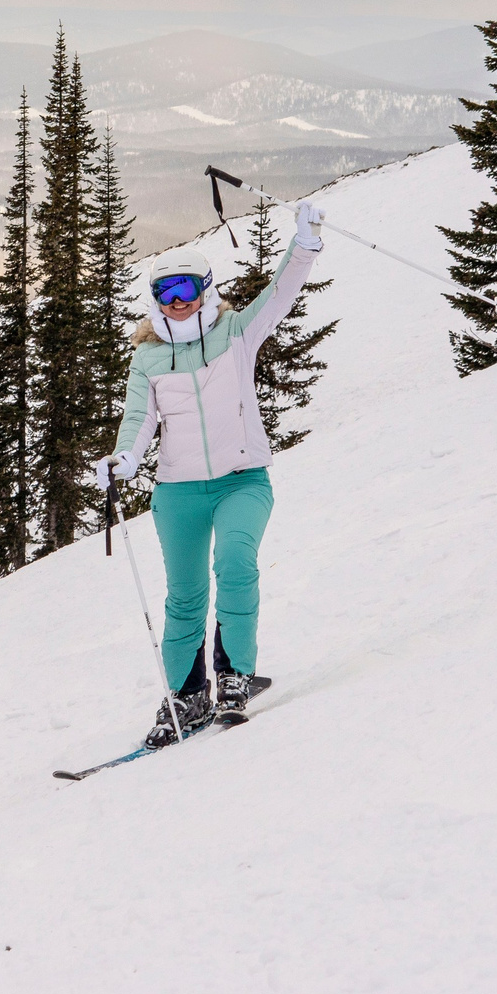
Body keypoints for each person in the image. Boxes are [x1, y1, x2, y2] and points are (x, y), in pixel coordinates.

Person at [100, 199, 326, 748]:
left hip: (242, 480)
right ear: (155, 302)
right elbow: (138, 419)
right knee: (185, 596)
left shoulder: (236, 334)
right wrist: (124, 458)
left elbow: (281, 292)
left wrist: (306, 244)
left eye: (187, 291)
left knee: (235, 561)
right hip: (178, 492)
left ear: (206, 289)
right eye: (166, 294)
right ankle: (186, 693)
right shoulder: (147, 359)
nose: (178, 303)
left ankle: (234, 676)